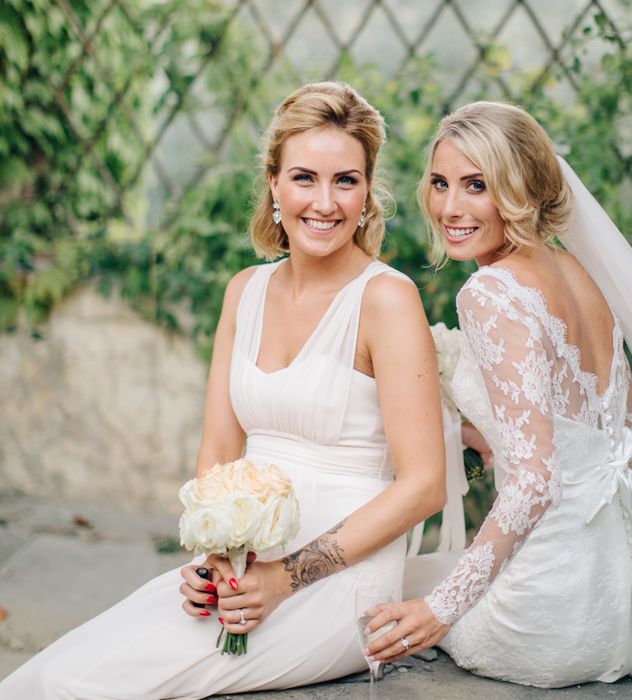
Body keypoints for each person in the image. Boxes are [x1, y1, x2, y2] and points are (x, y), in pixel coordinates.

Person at [0, 82, 446, 698]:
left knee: (96, 686)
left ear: (368, 191)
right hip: (242, 572)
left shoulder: (387, 300)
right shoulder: (246, 291)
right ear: (273, 185)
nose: (325, 202)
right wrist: (211, 560)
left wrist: (284, 579)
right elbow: (216, 452)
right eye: (303, 178)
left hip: (339, 583)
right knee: (60, 671)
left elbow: (424, 484)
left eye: (346, 180)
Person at [366, 101, 632, 688]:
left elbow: (534, 482)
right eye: (440, 183)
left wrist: (441, 610)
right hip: (625, 603)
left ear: (520, 189)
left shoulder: (491, 293)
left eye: (475, 185)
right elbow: (627, 432)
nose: (450, 207)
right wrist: (480, 435)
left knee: (378, 596)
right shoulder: (581, 272)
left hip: (547, 617)